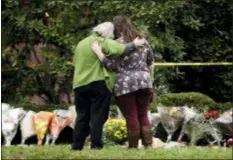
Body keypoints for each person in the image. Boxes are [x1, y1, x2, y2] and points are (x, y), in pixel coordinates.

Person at [72, 21, 146, 151]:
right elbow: (121, 49)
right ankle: (96, 145)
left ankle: (77, 146)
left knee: (82, 116)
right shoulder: (102, 41)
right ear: (107, 33)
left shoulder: (81, 43)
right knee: (98, 116)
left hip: (79, 84)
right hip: (97, 83)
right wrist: (135, 44)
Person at [91, 16, 154, 149]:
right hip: (145, 81)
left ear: (116, 29)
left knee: (131, 115)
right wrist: (150, 81)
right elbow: (150, 63)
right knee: (143, 114)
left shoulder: (118, 44)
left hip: (126, 84)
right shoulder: (144, 42)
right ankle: (148, 145)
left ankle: (133, 146)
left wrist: (99, 53)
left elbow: (112, 66)